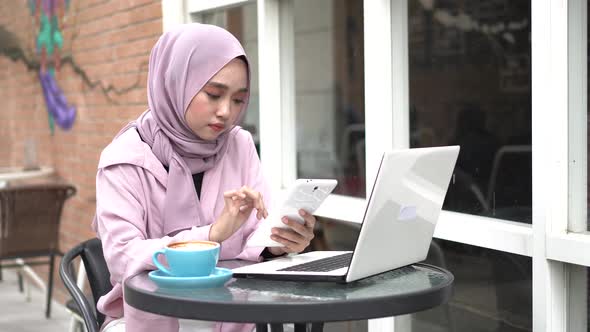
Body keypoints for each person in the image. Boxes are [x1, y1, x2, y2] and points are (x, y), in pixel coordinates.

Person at [92, 23, 317, 332]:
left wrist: (277, 243)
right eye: (213, 94)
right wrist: (210, 236)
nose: (226, 112)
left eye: (238, 100)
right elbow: (122, 256)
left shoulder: (239, 144)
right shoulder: (124, 159)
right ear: (175, 83)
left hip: (235, 315)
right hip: (147, 317)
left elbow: (254, 234)